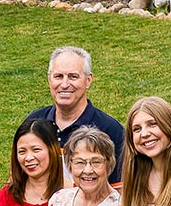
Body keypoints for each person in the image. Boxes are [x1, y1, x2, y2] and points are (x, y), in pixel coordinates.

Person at [25, 46, 126, 186]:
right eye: (58, 76)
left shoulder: (111, 130)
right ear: (49, 79)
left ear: (88, 80)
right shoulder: (33, 122)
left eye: (73, 76)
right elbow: (18, 179)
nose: (65, 84)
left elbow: (119, 192)